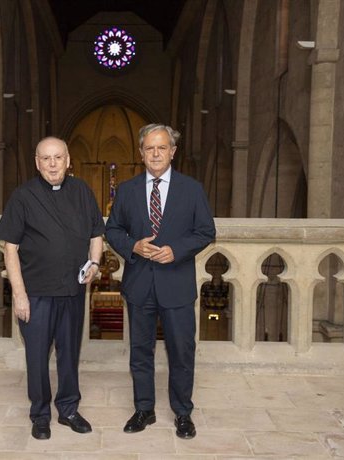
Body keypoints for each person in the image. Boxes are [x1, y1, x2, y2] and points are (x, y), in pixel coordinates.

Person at [105, 124, 215, 439]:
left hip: (177, 284)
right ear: (141, 153)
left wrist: (176, 250)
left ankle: (183, 413)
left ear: (172, 152)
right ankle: (144, 409)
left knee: (182, 351)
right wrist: (132, 247)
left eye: (162, 148)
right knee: (141, 350)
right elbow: (112, 230)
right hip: (139, 283)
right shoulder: (126, 190)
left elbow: (206, 231)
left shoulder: (191, 189)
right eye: (149, 148)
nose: (155, 153)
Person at [0, 137, 105, 440]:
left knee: (69, 354)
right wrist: (19, 294)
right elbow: (10, 249)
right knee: (37, 357)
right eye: (46, 158)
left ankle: (68, 409)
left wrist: (94, 264)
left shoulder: (82, 191)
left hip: (72, 291)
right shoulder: (22, 196)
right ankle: (40, 414)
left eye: (58, 158)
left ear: (69, 161)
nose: (53, 164)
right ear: (37, 162)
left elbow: (97, 233)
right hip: (37, 294)